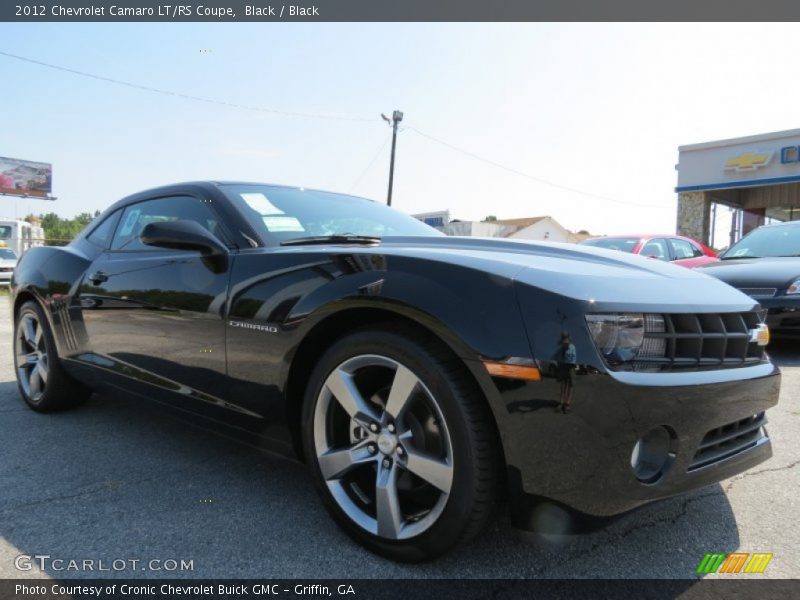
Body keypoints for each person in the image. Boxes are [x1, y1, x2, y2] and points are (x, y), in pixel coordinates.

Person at [555, 331, 576, 413]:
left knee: (570, 385)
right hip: (562, 367)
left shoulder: (573, 347)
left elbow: (573, 359)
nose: (565, 342)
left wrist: (567, 362)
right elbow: (557, 358)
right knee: (563, 385)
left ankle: (567, 403)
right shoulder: (560, 348)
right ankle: (561, 402)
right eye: (564, 339)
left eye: (566, 339)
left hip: (570, 367)